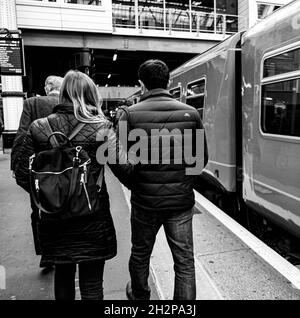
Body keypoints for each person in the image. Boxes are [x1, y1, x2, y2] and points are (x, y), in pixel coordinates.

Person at [14, 70, 133, 300]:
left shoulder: (39, 127)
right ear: (90, 95)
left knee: (63, 276)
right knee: (92, 284)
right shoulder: (102, 127)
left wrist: (52, 193)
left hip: (54, 217)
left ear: (63, 94)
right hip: (92, 215)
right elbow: (125, 171)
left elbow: (21, 174)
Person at [117, 59, 208, 300]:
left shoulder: (129, 115)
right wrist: (183, 183)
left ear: (141, 84)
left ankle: (140, 297)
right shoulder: (190, 113)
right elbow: (201, 160)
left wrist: (135, 184)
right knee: (185, 261)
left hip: (144, 203)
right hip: (180, 204)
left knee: (140, 253)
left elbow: (117, 160)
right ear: (168, 82)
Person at [11, 75, 63, 268]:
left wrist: (16, 164)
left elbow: (22, 134)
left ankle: (46, 253)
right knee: (66, 208)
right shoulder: (70, 102)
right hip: (66, 165)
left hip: (39, 168)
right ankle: (63, 249)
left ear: (46, 87)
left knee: (39, 210)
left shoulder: (31, 103)